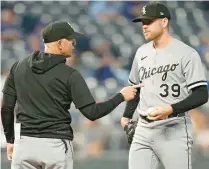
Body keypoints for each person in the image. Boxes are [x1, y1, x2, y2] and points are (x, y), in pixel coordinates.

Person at [1, 21, 143, 169]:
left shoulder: (17, 68)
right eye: (71, 41)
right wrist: (120, 96)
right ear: (60, 43)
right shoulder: (69, 74)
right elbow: (92, 112)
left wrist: (10, 140)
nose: (74, 45)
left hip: (24, 145)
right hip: (55, 145)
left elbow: (6, 108)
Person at [120, 2, 208, 169]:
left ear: (164, 22)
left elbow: (202, 93)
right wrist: (126, 116)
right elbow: (135, 88)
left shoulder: (187, 53)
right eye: (143, 23)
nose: (144, 26)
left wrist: (171, 108)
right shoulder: (141, 52)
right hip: (143, 129)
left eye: (149, 22)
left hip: (174, 128)